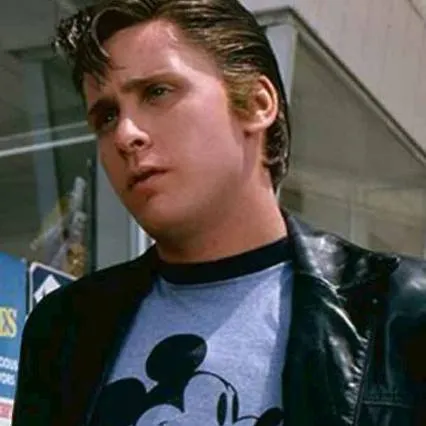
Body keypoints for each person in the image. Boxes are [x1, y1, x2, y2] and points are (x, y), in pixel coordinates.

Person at [12, 0, 426, 425]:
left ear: (257, 103)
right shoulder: (64, 331)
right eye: (106, 116)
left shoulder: (403, 312)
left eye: (157, 92)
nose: (125, 135)